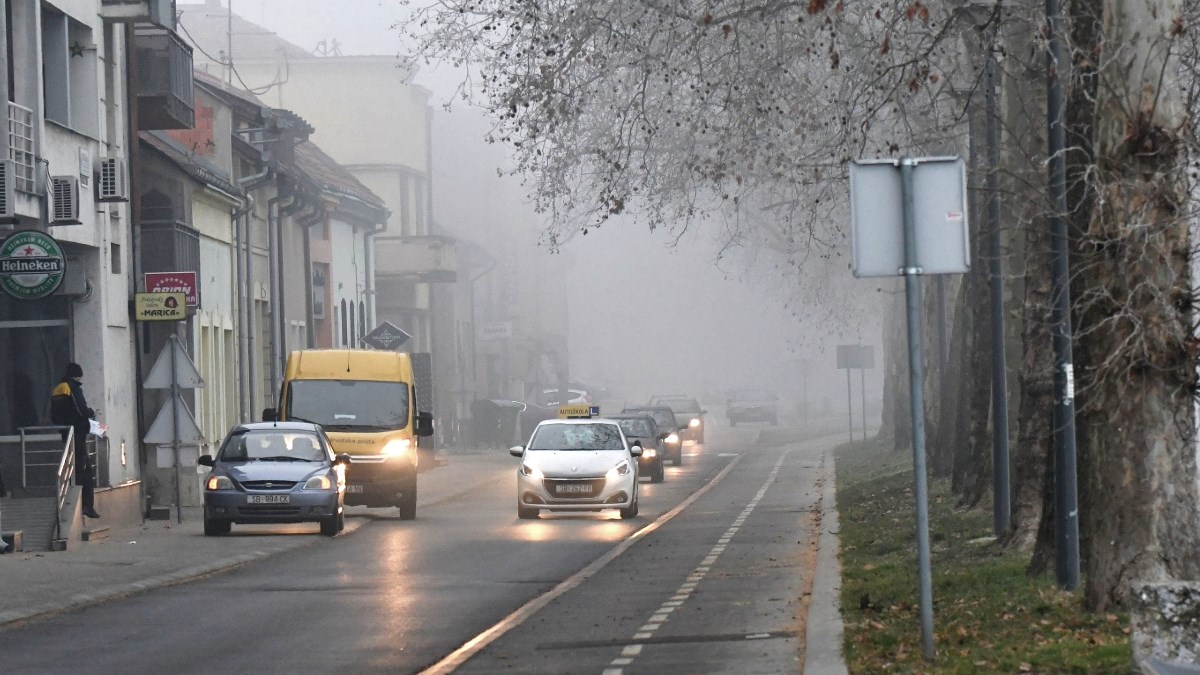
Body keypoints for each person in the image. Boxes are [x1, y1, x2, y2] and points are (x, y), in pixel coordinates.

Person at [50, 362, 100, 519]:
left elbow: (55, 415)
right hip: (77, 432)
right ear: (77, 374)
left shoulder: (58, 388)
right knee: (84, 468)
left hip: (66, 432)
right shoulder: (72, 388)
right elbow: (80, 409)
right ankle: (86, 505)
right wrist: (91, 412)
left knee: (78, 466)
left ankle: (85, 504)